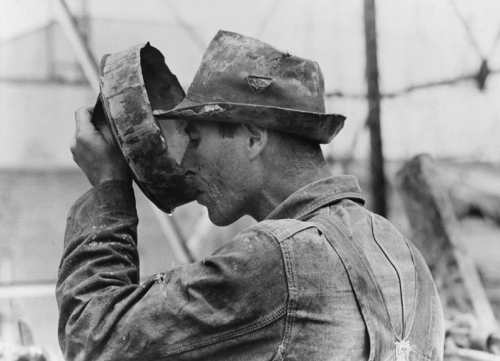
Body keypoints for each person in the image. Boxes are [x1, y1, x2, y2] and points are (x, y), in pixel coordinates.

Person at [57, 30, 445, 360]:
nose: (186, 162)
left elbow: (93, 335)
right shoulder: (404, 253)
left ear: (253, 137)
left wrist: (109, 186)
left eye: (194, 138)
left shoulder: (277, 258)